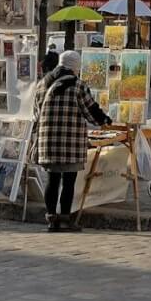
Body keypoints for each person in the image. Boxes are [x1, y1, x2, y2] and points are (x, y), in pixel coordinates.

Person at [34, 50, 111, 232]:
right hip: (70, 142)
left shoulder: (42, 84)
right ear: (75, 67)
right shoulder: (77, 86)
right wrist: (105, 121)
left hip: (47, 140)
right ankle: (66, 220)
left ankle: (51, 220)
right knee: (68, 181)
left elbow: (36, 113)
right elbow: (91, 110)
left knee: (52, 180)